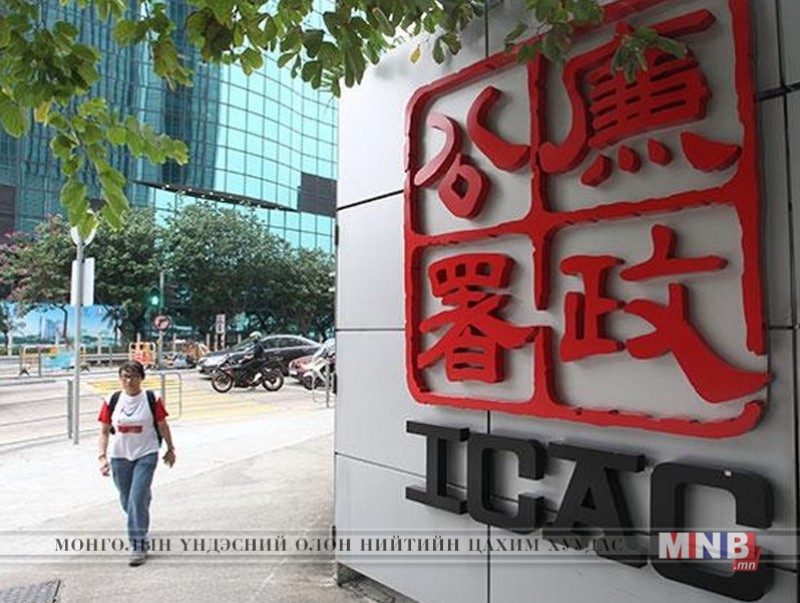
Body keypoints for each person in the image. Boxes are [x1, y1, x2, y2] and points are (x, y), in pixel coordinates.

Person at [97, 360, 176, 566]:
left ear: (142, 378)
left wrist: (170, 448)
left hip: (146, 454)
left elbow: (162, 425)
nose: (129, 381)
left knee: (137, 498)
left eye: (133, 376)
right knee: (128, 499)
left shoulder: (151, 398)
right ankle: (140, 516)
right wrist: (102, 456)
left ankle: (138, 545)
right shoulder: (112, 400)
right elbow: (104, 431)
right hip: (120, 456)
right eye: (125, 376)